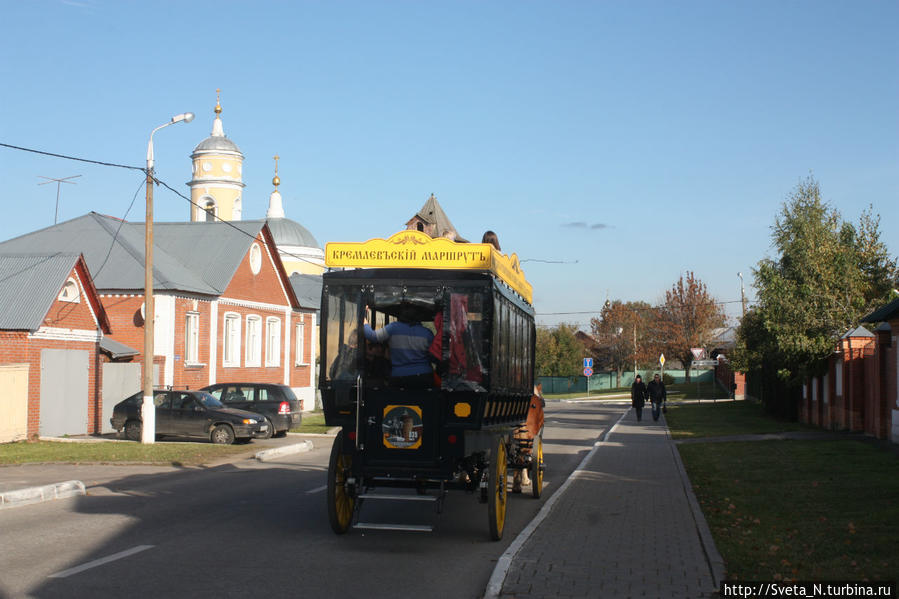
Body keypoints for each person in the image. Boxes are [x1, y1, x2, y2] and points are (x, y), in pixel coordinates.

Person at [363, 307, 435, 389]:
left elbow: (372, 336)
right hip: (424, 376)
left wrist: (364, 319)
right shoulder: (427, 333)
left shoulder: (393, 328)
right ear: (419, 317)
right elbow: (433, 356)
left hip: (399, 377)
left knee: (398, 400)